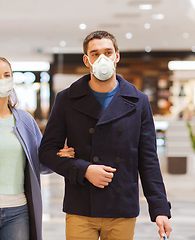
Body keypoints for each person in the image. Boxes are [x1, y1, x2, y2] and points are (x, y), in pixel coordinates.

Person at [39, 30, 172, 240]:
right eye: (95, 53)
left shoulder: (139, 101)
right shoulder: (66, 99)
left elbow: (148, 160)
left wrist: (160, 209)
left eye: (108, 52)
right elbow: (46, 152)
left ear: (117, 56)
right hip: (81, 205)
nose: (102, 58)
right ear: (86, 60)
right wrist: (85, 169)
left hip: (121, 207)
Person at [0, 56, 74, 240]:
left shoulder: (25, 120)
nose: (2, 80)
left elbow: (39, 164)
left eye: (6, 74)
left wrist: (58, 156)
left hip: (18, 211)